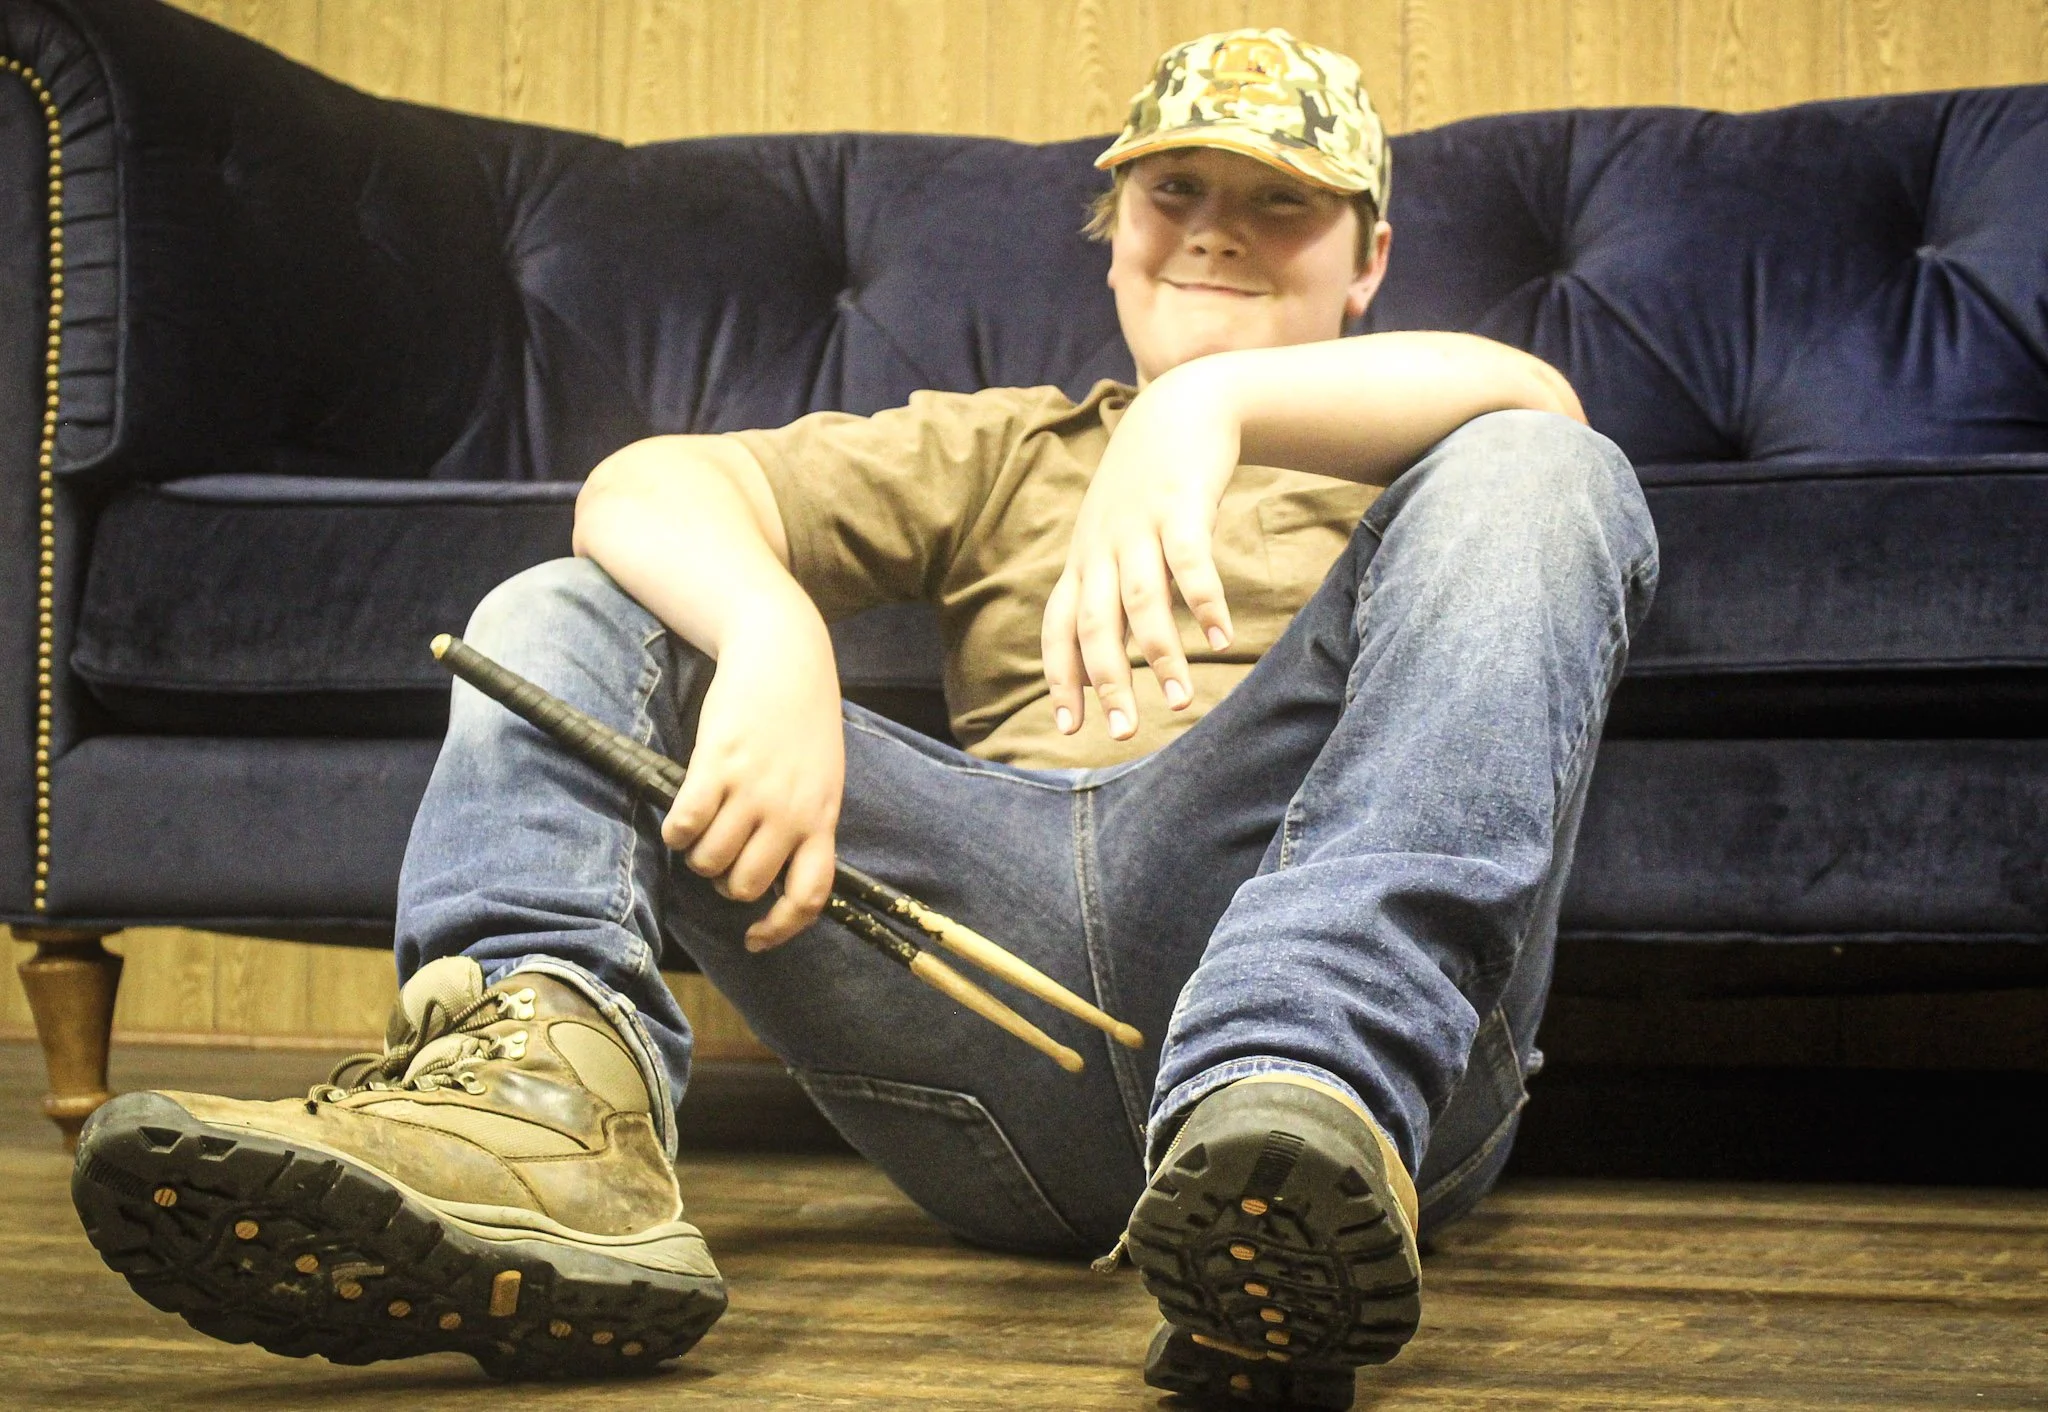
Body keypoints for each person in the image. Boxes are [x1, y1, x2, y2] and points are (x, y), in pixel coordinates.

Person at [70, 28, 1657, 1409]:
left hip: (1345, 1047)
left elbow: (1543, 409)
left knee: (1549, 475)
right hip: (994, 986)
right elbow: (644, 485)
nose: (1217, 234)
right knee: (562, 611)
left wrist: (1208, 407)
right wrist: (774, 638)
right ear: (1112, 229)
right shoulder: (1002, 444)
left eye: (1281, 202)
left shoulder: (1444, 448)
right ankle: (540, 1124)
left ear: (1366, 258)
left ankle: (1295, 1091)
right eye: (1176, 192)